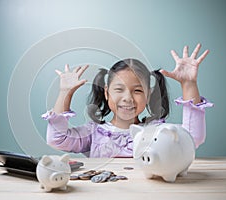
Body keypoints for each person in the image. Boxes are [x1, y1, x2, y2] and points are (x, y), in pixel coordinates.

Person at [42, 44, 213, 158]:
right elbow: (57, 139)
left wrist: (189, 84)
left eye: (137, 90)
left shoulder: (157, 132)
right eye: (119, 89)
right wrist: (65, 93)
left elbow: (192, 138)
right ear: (107, 93)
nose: (128, 98)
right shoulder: (93, 133)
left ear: (148, 95)